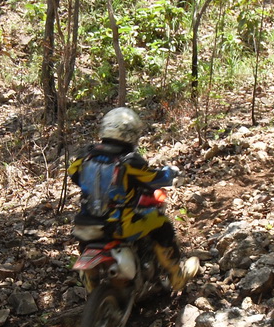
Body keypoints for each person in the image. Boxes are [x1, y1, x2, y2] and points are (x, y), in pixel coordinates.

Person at [68, 106, 200, 292]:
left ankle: (90, 280)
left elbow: (73, 174)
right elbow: (155, 178)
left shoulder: (85, 156)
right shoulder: (129, 161)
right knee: (162, 224)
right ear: (131, 133)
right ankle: (176, 275)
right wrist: (172, 173)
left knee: (85, 243)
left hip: (84, 225)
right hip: (119, 226)